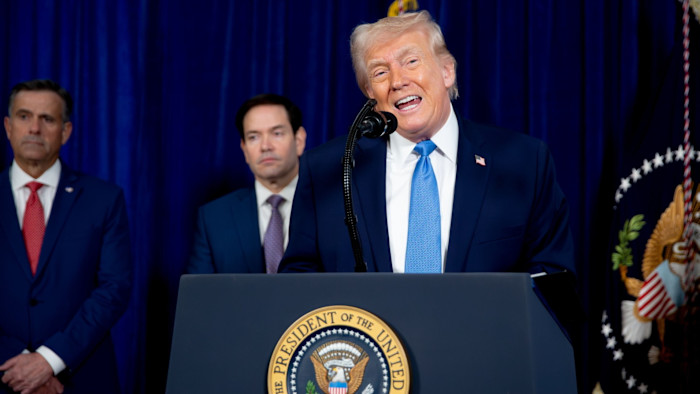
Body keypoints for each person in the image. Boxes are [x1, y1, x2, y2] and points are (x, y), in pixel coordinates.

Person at [279, 11, 575, 275]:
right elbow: (300, 278)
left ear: (447, 71)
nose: (398, 81)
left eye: (411, 61)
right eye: (381, 72)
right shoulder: (328, 170)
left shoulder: (523, 162)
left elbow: (551, 277)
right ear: (370, 92)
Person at [0, 79, 132, 394]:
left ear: (66, 131)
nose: (34, 128)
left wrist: (50, 360)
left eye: (47, 119)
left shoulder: (104, 199)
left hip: (80, 378)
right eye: (24, 116)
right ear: (8, 126)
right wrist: (17, 360)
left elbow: (114, 288)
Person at [186, 94, 307, 274]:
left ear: (299, 141)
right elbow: (200, 297)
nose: (265, 146)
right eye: (253, 137)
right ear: (244, 149)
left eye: (277, 133)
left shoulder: (330, 208)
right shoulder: (214, 218)